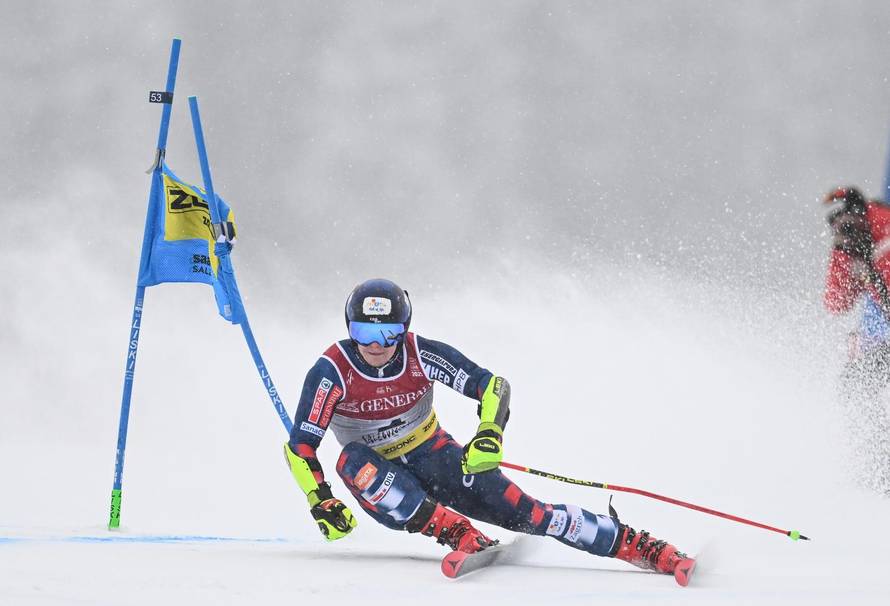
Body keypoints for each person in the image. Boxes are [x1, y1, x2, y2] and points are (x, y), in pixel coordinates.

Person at [283, 278, 695, 583]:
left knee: (531, 514)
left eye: (387, 332)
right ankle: (456, 531)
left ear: (404, 329)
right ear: (349, 329)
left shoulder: (419, 353)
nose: (376, 345)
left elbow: (492, 386)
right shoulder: (332, 371)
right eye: (364, 333)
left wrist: (488, 434)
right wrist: (320, 500)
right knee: (352, 462)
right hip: (381, 477)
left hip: (435, 454)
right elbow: (301, 446)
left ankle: (640, 546)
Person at [823, 186, 890, 494]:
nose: (848, 229)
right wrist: (844, 252)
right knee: (856, 380)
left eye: (852, 221)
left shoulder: (884, 226)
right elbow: (837, 303)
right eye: (841, 226)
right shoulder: (856, 246)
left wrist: (870, 254)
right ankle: (878, 465)